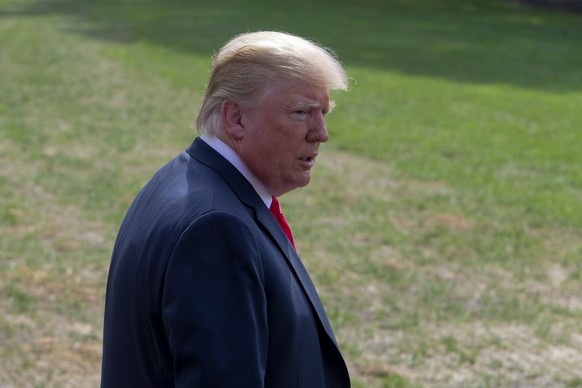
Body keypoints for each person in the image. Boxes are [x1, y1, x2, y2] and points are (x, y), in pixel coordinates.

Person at [101, 31, 350, 387]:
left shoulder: (184, 180)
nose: (321, 133)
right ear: (236, 118)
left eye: (323, 114)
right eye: (301, 113)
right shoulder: (216, 229)